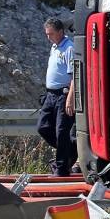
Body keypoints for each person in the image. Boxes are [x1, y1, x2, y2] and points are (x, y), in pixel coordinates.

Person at [37, 16, 77, 176]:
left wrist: (70, 98)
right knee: (43, 127)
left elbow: (75, 76)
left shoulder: (69, 49)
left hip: (63, 94)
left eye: (51, 34)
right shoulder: (54, 47)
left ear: (60, 32)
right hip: (50, 95)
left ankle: (61, 169)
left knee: (62, 132)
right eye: (47, 34)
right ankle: (71, 149)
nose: (48, 37)